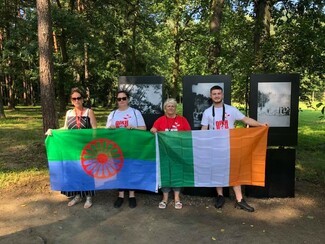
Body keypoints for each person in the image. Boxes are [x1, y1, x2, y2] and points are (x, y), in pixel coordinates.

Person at [201, 85, 267, 212]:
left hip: (231, 146)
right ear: (211, 96)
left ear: (222, 95)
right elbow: (204, 130)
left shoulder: (231, 110)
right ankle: (220, 196)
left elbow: (245, 119)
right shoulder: (207, 112)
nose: (216, 96)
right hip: (215, 147)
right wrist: (203, 146)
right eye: (214, 94)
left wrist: (260, 125)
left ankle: (240, 199)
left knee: (235, 171)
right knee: (217, 171)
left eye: (219, 93)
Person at [106, 90, 146, 208]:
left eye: (124, 98)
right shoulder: (112, 114)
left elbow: (144, 128)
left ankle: (132, 195)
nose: (121, 101)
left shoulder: (135, 112)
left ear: (128, 99)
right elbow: (106, 131)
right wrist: (110, 128)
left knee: (131, 169)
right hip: (116, 148)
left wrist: (133, 128)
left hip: (132, 146)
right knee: (119, 170)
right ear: (117, 101)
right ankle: (121, 195)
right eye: (119, 99)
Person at [150, 98, 191, 210]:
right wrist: (153, 130)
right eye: (168, 106)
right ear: (165, 108)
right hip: (164, 153)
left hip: (178, 153)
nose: (171, 108)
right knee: (165, 173)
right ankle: (165, 198)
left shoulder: (182, 120)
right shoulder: (160, 120)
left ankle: (177, 198)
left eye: (173, 106)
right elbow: (153, 129)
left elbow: (188, 134)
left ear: (176, 108)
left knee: (177, 173)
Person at [60, 87, 97, 208]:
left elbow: (95, 131)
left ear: (82, 99)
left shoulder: (89, 112)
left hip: (86, 148)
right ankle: (77, 195)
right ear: (71, 100)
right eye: (74, 98)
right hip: (72, 149)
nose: (77, 100)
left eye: (79, 98)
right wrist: (53, 131)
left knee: (87, 172)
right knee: (74, 172)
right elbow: (65, 128)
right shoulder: (69, 113)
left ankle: (89, 196)